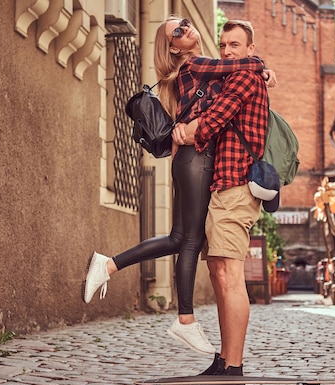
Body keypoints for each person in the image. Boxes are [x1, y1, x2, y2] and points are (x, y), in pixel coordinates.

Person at [83, 16, 274, 356]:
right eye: (177, 31)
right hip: (197, 159)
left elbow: (239, 75)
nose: (186, 29)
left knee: (179, 238)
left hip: (191, 160)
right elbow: (247, 66)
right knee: (189, 239)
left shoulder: (198, 68)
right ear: (173, 47)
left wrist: (265, 74)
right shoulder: (198, 63)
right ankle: (185, 320)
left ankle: (108, 265)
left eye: (185, 24)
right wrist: (262, 68)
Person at [172, 20, 272, 385]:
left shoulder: (245, 80)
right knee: (219, 272)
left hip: (236, 188)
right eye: (224, 44)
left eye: (235, 45)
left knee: (229, 275)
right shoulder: (240, 74)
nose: (228, 51)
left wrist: (187, 129)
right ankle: (225, 361)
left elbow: (212, 122)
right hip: (224, 188)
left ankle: (233, 370)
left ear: (249, 48)